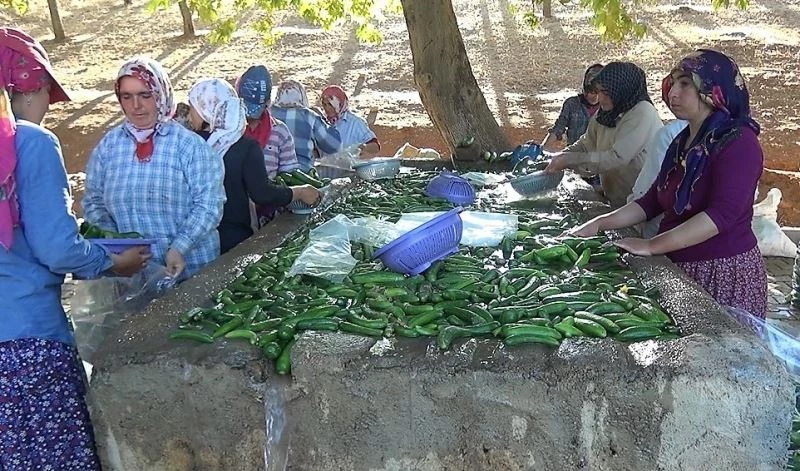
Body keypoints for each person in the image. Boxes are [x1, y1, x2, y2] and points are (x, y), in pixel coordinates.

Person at [0, 28, 150, 470]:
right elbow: (57, 248)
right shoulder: (29, 143)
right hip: (26, 347)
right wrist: (110, 261)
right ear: (33, 88)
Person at [571, 49, 767, 319]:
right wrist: (598, 223)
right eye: (673, 82)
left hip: (721, 272)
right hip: (680, 262)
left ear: (713, 89)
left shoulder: (739, 143)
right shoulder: (681, 141)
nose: (672, 92)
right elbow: (651, 201)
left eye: (685, 83)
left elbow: (722, 215)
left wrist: (652, 245)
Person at [83, 57, 226, 279]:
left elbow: (209, 204)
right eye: (126, 96)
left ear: (160, 94)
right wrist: (117, 247)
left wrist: (180, 247)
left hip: (191, 270)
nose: (135, 105)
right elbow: (93, 201)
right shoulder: (109, 147)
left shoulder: (189, 146)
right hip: (132, 277)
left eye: (145, 95)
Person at [186, 78, 322, 253]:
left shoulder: (189, 145)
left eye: (192, 108)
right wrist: (300, 192)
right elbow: (262, 193)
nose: (190, 116)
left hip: (194, 241)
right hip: (234, 239)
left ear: (208, 107)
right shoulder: (245, 147)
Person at [544, 62, 663, 208]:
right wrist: (559, 157)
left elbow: (617, 158)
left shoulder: (642, 112)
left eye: (605, 93)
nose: (599, 98)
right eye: (598, 92)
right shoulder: (606, 113)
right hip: (617, 199)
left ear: (621, 90)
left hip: (644, 203)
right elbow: (586, 144)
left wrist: (570, 160)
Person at [235, 65, 300, 179]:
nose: (249, 116)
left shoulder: (280, 131)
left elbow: (289, 174)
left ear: (268, 103)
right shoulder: (228, 129)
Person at [628, 119, 688, 238]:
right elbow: (653, 193)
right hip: (651, 215)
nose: (672, 99)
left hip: (664, 226)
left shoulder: (670, 133)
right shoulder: (676, 132)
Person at [270, 79, 342, 171]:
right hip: (302, 176)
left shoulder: (268, 114)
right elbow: (333, 145)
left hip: (271, 175)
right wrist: (323, 119)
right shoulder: (308, 116)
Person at [548, 63, 604, 147]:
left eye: (599, 93)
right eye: (592, 92)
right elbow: (558, 128)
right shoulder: (571, 104)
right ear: (585, 88)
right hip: (573, 153)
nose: (595, 97)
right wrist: (544, 147)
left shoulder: (609, 108)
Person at [320, 85, 380, 158]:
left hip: (350, 167)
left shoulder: (355, 123)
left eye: (330, 104)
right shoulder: (322, 122)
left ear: (340, 103)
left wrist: (362, 147)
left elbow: (375, 146)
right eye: (324, 104)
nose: (327, 108)